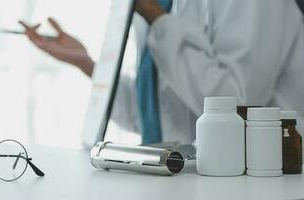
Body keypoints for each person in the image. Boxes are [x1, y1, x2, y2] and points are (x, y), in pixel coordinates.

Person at [20, 0, 304, 145]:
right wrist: (87, 65)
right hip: (185, 179)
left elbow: (236, 104)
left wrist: (158, 18)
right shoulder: (160, 7)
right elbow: (155, 117)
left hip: (263, 180)